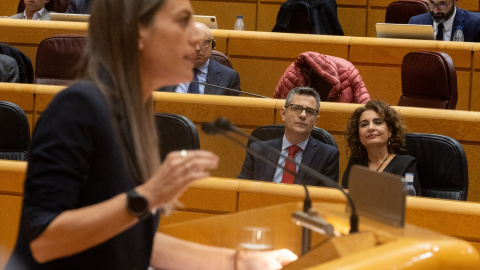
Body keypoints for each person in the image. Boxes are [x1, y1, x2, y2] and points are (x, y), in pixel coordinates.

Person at [5, 0, 297, 269]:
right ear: (139, 33)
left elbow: (136, 242)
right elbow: (42, 242)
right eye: (182, 21)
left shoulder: (134, 112)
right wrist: (147, 196)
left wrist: (241, 262)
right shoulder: (80, 106)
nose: (196, 38)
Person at [238, 86, 340, 185]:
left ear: (316, 121)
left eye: (309, 111)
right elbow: (240, 189)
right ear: (283, 113)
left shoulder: (327, 156)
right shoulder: (258, 150)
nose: (303, 115)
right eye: (296, 108)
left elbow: (325, 199)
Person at [341, 100, 422, 195]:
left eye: (378, 122)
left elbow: (412, 205)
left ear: (390, 131)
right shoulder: (355, 163)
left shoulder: (406, 165)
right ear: (358, 135)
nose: (371, 128)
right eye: (364, 124)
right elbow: (345, 198)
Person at [159, 22, 241, 95]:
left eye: (204, 43)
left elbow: (232, 110)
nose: (197, 48)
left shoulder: (229, 77)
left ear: (213, 45)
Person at [274, 52, 370, 104]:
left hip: (338, 122)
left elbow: (365, 105)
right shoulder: (292, 72)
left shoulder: (347, 70)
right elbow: (276, 105)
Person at [408, 0, 480, 42]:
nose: (436, 11)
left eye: (442, 5)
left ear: (455, 1)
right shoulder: (416, 23)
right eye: (432, 4)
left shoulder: (476, 24)